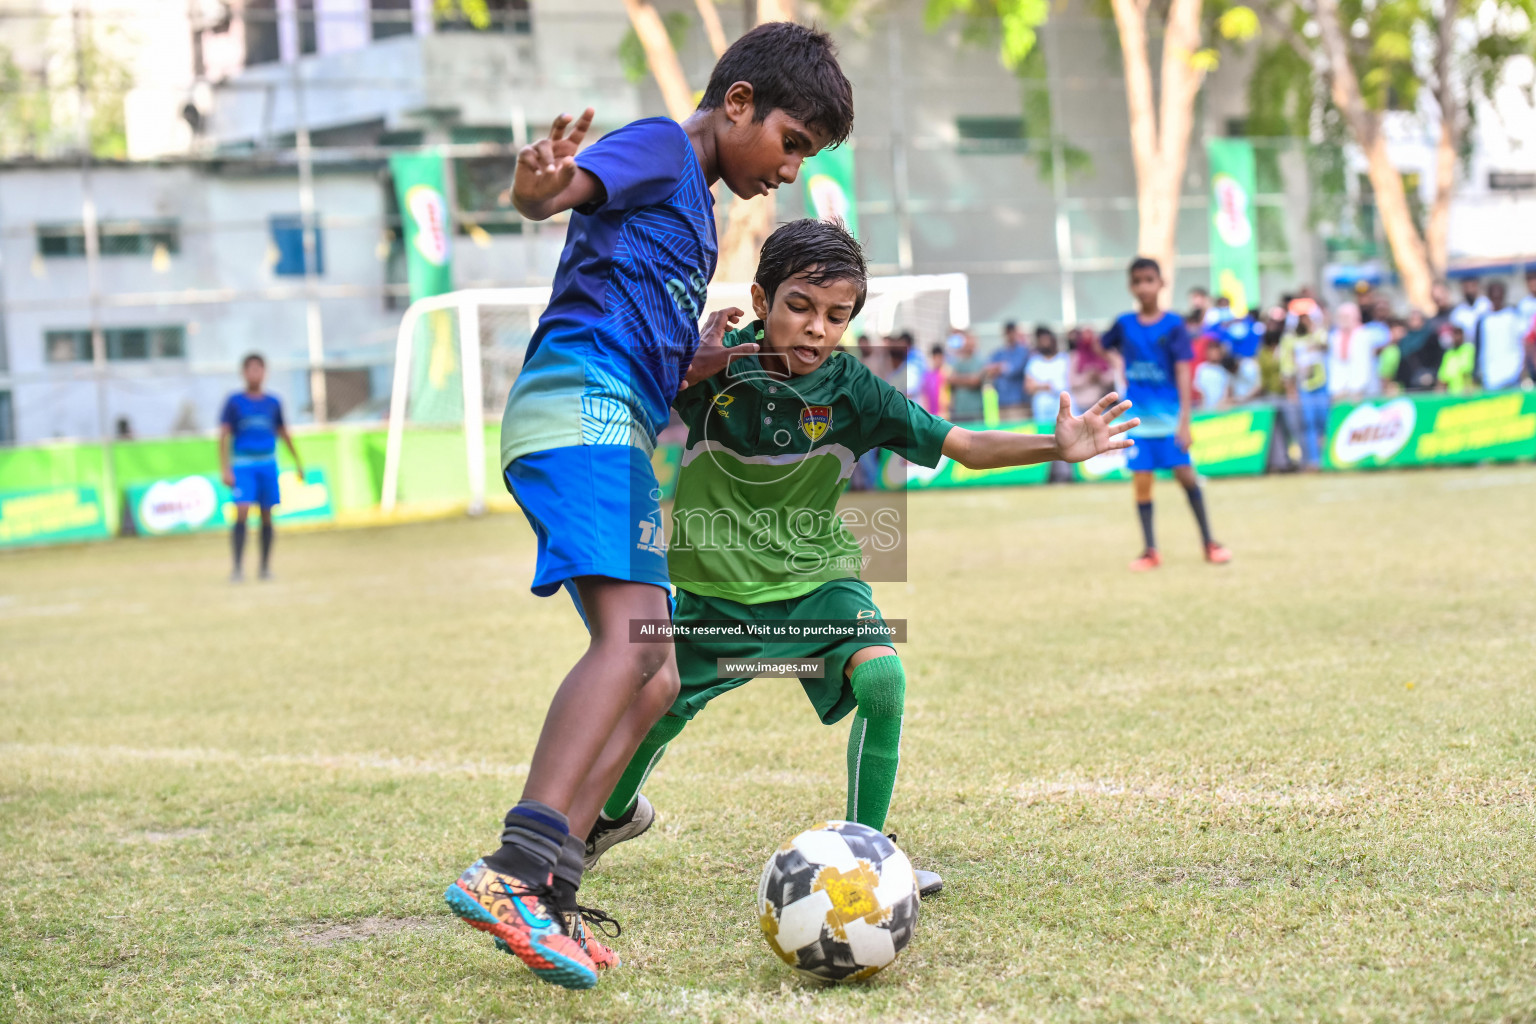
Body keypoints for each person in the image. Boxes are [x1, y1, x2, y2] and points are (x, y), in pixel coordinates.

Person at [442, 22, 855, 992]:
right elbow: (559, 190)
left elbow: (655, 360)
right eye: (792, 143)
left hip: (617, 414)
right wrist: (538, 184)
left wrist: (704, 358)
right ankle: (512, 864)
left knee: (660, 672)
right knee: (632, 641)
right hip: (580, 403)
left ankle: (550, 883)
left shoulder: (698, 217)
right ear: (741, 102)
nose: (791, 170)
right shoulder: (665, 147)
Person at [583, 219, 1139, 905]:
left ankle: (866, 857)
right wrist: (676, 362)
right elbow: (619, 393)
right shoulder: (713, 363)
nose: (817, 328)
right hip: (714, 592)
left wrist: (1057, 447)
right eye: (800, 307)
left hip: (820, 582)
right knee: (657, 709)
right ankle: (609, 818)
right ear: (761, 300)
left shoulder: (856, 390)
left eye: (836, 316)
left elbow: (960, 443)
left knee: (882, 680)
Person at [1103, 257, 1232, 570]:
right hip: (1137, 422)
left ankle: (1209, 543)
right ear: (1130, 286)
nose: (1144, 286)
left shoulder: (1173, 325)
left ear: (1161, 284)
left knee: (1186, 477)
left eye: (1149, 279)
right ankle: (1150, 551)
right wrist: (1118, 364)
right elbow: (1104, 344)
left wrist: (1185, 421)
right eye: (1137, 281)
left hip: (1170, 420)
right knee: (1142, 483)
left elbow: (1184, 371)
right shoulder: (1124, 324)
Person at [219, 353, 302, 582]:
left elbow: (284, 432)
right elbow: (224, 435)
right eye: (250, 369)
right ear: (244, 373)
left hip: (268, 464)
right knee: (242, 510)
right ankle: (237, 569)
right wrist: (225, 468)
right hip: (243, 465)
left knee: (267, 514)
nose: (255, 374)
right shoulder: (234, 402)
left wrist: (298, 462)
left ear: (265, 373)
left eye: (259, 369)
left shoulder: (273, 403)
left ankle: (264, 568)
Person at [1282, 313, 1329, 470]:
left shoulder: (1317, 334)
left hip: (1321, 383)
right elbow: (1287, 366)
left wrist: (1313, 333)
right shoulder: (1289, 341)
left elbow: (1325, 344)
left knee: (1325, 422)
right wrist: (1291, 389)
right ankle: (1314, 460)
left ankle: (1327, 458)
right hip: (1304, 387)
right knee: (1309, 424)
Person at [1474, 279, 1527, 391]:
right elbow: (1479, 348)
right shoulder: (1483, 320)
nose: (1496, 299)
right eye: (1493, 296)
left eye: (1499, 296)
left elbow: (1523, 342)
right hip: (1490, 378)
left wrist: (1523, 370)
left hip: (1513, 375)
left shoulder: (1513, 315)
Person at [1326, 302, 1375, 401]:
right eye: (1341, 317)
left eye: (1346, 316)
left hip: (1360, 391)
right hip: (1340, 391)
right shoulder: (1335, 336)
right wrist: (1336, 388)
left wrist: (1358, 388)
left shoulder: (1363, 335)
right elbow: (1335, 365)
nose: (1343, 320)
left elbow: (1363, 364)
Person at [986, 320, 1030, 421]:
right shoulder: (999, 353)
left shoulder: (1022, 351)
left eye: (1012, 332)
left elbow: (1013, 369)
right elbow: (988, 370)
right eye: (1008, 332)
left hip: (1018, 403)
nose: (1010, 335)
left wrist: (999, 368)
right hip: (1001, 402)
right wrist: (1000, 368)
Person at [1025, 326, 1070, 422]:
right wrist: (1045, 386)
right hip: (1041, 407)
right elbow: (1028, 386)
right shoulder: (1034, 362)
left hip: (1062, 404)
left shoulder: (1064, 359)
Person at [1069, 325, 1114, 414]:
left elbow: (1111, 379)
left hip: (1101, 405)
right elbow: (1071, 382)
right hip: (1080, 407)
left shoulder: (1102, 356)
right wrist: (1087, 376)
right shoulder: (1075, 357)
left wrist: (1099, 376)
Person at [946, 331, 987, 423]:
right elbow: (950, 379)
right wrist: (968, 379)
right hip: (959, 410)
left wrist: (959, 379)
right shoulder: (957, 362)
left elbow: (975, 380)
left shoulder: (980, 362)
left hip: (975, 410)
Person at [1448, 276, 1490, 342]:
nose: (1470, 291)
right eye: (1466, 287)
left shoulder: (1487, 305)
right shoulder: (1457, 313)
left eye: (1472, 286)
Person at [1194, 340, 1231, 410]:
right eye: (1211, 351)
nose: (1214, 354)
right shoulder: (1202, 369)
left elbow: (1227, 390)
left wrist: (1223, 403)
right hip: (1205, 409)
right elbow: (1199, 389)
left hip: (1221, 409)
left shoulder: (1224, 370)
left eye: (1216, 351)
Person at [1439, 325, 1476, 394]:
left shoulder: (1469, 349)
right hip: (1452, 395)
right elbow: (1443, 377)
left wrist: (1468, 389)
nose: (1456, 337)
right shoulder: (1448, 354)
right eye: (1453, 335)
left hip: (1468, 395)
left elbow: (1467, 372)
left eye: (1458, 334)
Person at [922, 343, 947, 416]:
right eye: (936, 358)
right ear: (932, 358)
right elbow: (925, 396)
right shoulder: (927, 376)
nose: (938, 360)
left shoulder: (946, 374)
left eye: (940, 358)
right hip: (931, 415)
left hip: (945, 415)